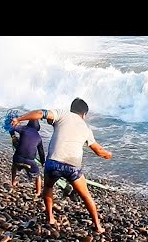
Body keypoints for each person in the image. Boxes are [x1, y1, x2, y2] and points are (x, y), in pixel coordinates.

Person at [10, 97, 112, 233]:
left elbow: (41, 113)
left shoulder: (62, 114)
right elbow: (98, 151)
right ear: (84, 115)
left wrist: (19, 119)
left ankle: (50, 218)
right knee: (86, 195)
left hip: (53, 163)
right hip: (73, 166)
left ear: (71, 109)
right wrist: (108, 155)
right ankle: (98, 226)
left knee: (48, 188)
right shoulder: (86, 128)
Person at [9, 119, 46, 197]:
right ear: (37, 128)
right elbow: (41, 151)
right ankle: (38, 192)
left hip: (18, 159)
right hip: (30, 162)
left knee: (14, 167)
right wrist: (43, 162)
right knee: (38, 176)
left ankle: (13, 182)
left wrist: (13, 136)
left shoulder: (23, 129)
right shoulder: (39, 137)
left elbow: (10, 127)